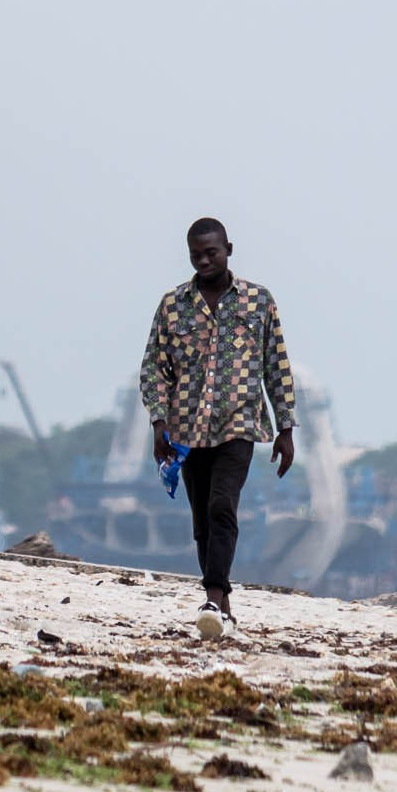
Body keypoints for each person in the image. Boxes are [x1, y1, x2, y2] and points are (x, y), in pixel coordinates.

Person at [138, 217, 296, 639]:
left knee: (222, 506)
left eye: (212, 252)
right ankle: (222, 607)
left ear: (229, 248)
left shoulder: (259, 302)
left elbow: (276, 366)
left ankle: (213, 594)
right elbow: (154, 367)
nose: (205, 261)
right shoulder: (173, 306)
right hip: (187, 430)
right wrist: (158, 423)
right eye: (196, 255)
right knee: (202, 519)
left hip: (238, 425)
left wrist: (286, 428)